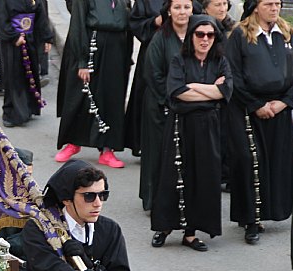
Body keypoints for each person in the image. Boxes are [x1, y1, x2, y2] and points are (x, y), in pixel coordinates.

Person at [151, 15, 233, 251]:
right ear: (191, 36)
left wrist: (194, 87)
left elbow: (226, 91)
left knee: (203, 178)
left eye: (210, 35)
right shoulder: (179, 60)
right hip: (180, 125)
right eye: (200, 34)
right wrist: (210, 90)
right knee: (173, 176)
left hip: (209, 128)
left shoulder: (221, 61)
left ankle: (190, 233)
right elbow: (176, 91)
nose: (205, 39)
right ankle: (164, 227)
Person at [225, 0, 293, 244]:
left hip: (280, 109)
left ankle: (276, 211)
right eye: (268, 3)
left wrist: (285, 101)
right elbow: (234, 74)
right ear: (255, 7)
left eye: (277, 3)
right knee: (251, 163)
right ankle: (251, 220)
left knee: (278, 163)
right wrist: (255, 105)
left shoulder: (289, 35)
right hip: (249, 110)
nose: (274, 8)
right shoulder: (239, 36)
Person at [55, 0, 132, 167]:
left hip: (116, 50)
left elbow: (129, 28)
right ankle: (73, 143)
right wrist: (82, 60)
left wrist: (127, 56)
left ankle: (107, 149)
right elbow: (78, 25)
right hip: (92, 45)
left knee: (111, 98)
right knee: (80, 96)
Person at [139, 0, 194, 210]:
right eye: (177, 7)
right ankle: (154, 197)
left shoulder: (197, 34)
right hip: (160, 102)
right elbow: (153, 74)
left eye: (186, 7)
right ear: (168, 11)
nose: (182, 12)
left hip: (189, 104)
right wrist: (173, 97)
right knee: (158, 152)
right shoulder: (161, 37)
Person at [0, 0, 53, 127]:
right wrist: (14, 37)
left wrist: (46, 38)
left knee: (30, 72)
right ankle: (12, 112)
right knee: (14, 76)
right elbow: (1, 20)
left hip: (30, 39)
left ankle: (29, 107)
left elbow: (40, 17)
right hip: (13, 43)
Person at [202, 0, 235, 191]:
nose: (222, 8)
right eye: (217, 4)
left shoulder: (232, 29)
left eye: (225, 3)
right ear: (206, 7)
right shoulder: (201, 30)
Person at [124, 0, 164, 157]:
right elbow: (135, 22)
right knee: (147, 98)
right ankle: (143, 144)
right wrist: (155, 22)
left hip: (184, 50)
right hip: (152, 50)